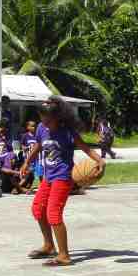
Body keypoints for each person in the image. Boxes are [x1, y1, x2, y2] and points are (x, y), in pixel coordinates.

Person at [20, 96, 106, 266]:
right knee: (38, 209)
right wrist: (27, 162)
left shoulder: (67, 132)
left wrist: (100, 160)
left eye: (48, 120)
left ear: (58, 118)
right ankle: (49, 246)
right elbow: (38, 145)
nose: (44, 123)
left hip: (63, 177)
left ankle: (64, 255)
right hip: (48, 176)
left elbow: (85, 148)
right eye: (42, 119)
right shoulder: (41, 128)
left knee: (53, 214)